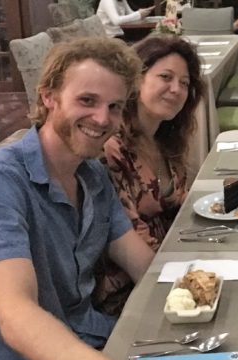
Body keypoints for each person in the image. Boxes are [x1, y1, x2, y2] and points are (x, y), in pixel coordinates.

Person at [0, 37, 183, 360]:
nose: (102, 119)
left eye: (114, 106)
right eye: (87, 101)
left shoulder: (92, 176)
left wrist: (200, 289)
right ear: (48, 97)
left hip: (98, 346)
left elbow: (143, 266)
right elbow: (15, 313)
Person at [94, 35, 203, 315]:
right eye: (165, 77)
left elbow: (180, 205)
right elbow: (131, 239)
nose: (176, 89)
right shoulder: (112, 147)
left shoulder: (166, 138)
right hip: (132, 289)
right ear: (137, 78)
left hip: (171, 264)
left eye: (185, 83)